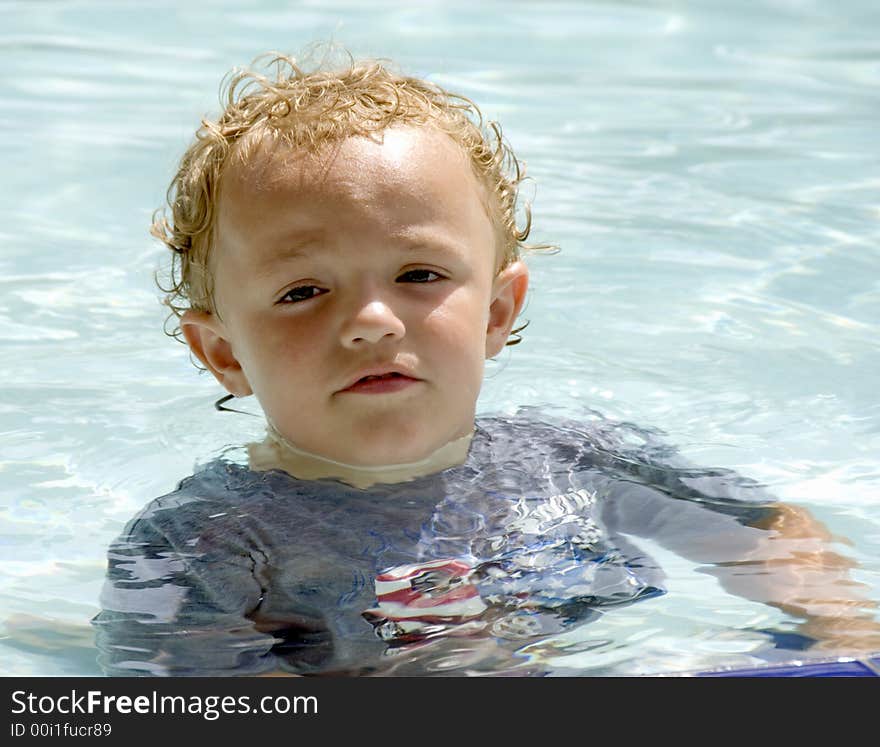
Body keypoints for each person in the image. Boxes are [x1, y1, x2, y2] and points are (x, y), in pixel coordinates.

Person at [92, 51, 879, 676]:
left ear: (498, 311)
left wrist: (845, 633)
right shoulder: (204, 546)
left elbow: (767, 536)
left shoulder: (575, 465)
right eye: (303, 290)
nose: (370, 320)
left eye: (419, 275)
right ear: (224, 352)